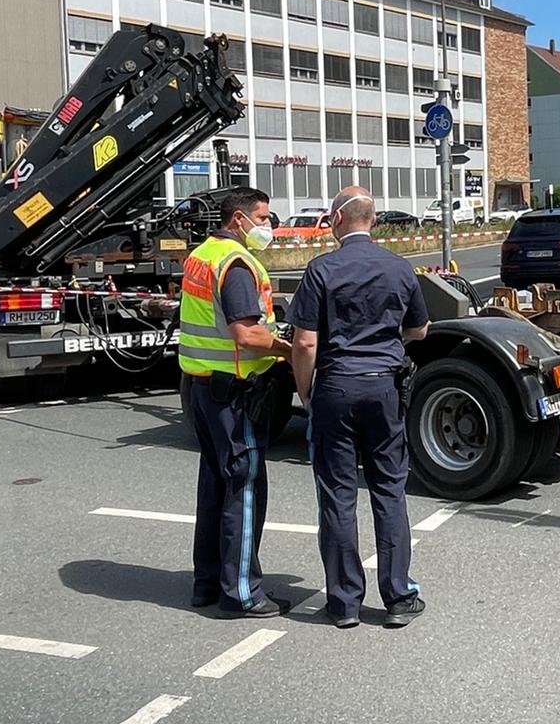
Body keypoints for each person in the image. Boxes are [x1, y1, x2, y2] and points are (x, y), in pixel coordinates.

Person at [288, 187, 430, 630]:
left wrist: (307, 392)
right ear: (374, 221)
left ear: (335, 219)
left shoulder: (320, 269)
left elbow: (305, 342)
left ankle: (345, 602)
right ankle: (399, 597)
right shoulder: (399, 267)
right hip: (383, 387)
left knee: (338, 495)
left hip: (335, 386)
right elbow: (420, 329)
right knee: (389, 490)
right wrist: (385, 342)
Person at [179, 187, 293, 618]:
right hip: (235, 392)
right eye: (263, 218)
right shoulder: (237, 264)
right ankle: (242, 592)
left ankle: (206, 582)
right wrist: (288, 349)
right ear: (239, 220)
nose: (268, 226)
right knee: (243, 488)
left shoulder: (202, 253)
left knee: (214, 486)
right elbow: (247, 334)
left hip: (202, 387)